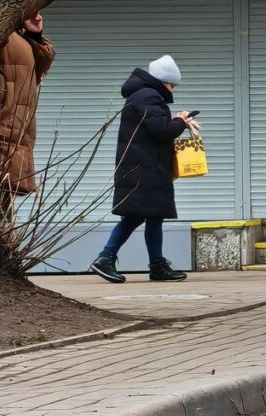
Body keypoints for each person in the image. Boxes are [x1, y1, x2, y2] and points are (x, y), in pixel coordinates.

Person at [90, 55, 200, 283]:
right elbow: (161, 131)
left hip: (146, 167)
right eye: (172, 85)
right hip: (144, 169)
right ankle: (105, 257)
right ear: (164, 81)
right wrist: (180, 120)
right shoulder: (148, 96)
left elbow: (153, 128)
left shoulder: (143, 95)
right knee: (135, 216)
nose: (172, 90)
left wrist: (177, 120)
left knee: (154, 216)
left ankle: (157, 265)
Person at [0, 11, 55, 196]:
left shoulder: (16, 37)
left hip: (12, 136)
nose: (38, 16)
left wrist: (33, 35)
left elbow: (38, 68)